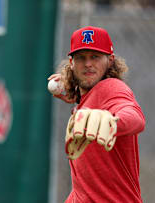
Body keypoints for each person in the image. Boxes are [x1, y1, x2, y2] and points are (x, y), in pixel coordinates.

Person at [48, 26, 146, 202]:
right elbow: (85, 187)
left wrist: (113, 122)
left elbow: (135, 117)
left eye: (95, 57)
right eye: (81, 58)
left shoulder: (112, 88)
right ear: (71, 62)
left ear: (110, 60)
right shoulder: (86, 100)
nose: (88, 64)